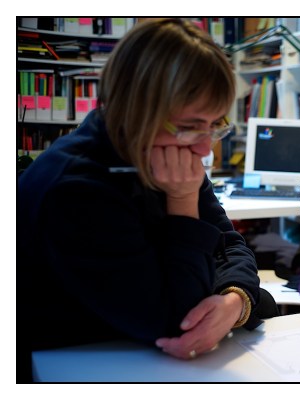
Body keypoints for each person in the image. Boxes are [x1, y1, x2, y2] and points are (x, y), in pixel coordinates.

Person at [17, 18, 277, 381]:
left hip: (144, 357)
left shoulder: (168, 151)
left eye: (214, 125)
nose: (205, 148)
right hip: (73, 367)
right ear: (133, 109)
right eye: (190, 127)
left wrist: (236, 300)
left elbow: (230, 245)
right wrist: (183, 199)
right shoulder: (74, 187)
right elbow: (177, 319)